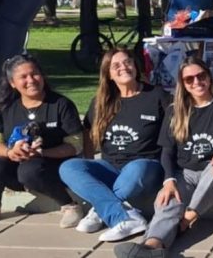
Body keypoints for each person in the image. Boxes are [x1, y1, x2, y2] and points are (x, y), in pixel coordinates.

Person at [114, 57, 213, 258]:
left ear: (209, 77)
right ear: (183, 84)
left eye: (201, 76)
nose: (197, 82)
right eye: (189, 79)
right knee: (168, 201)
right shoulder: (175, 110)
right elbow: (167, 151)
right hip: (186, 172)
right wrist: (169, 180)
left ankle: (188, 217)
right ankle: (152, 247)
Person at [59, 48, 168, 242]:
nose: (123, 68)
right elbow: (88, 135)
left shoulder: (156, 95)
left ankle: (103, 209)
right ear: (108, 74)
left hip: (146, 166)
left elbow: (172, 134)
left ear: (135, 65)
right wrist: (90, 166)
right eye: (116, 65)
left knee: (135, 169)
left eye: (128, 62)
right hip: (111, 167)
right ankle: (119, 213)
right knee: (69, 168)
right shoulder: (101, 102)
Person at [0, 54, 84, 228]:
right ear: (13, 83)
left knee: (30, 170)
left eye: (34, 74)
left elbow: (75, 145)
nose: (31, 80)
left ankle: (70, 205)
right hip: (18, 166)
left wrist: (42, 152)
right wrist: (10, 152)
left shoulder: (61, 104)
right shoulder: (5, 107)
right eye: (23, 77)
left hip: (53, 167)